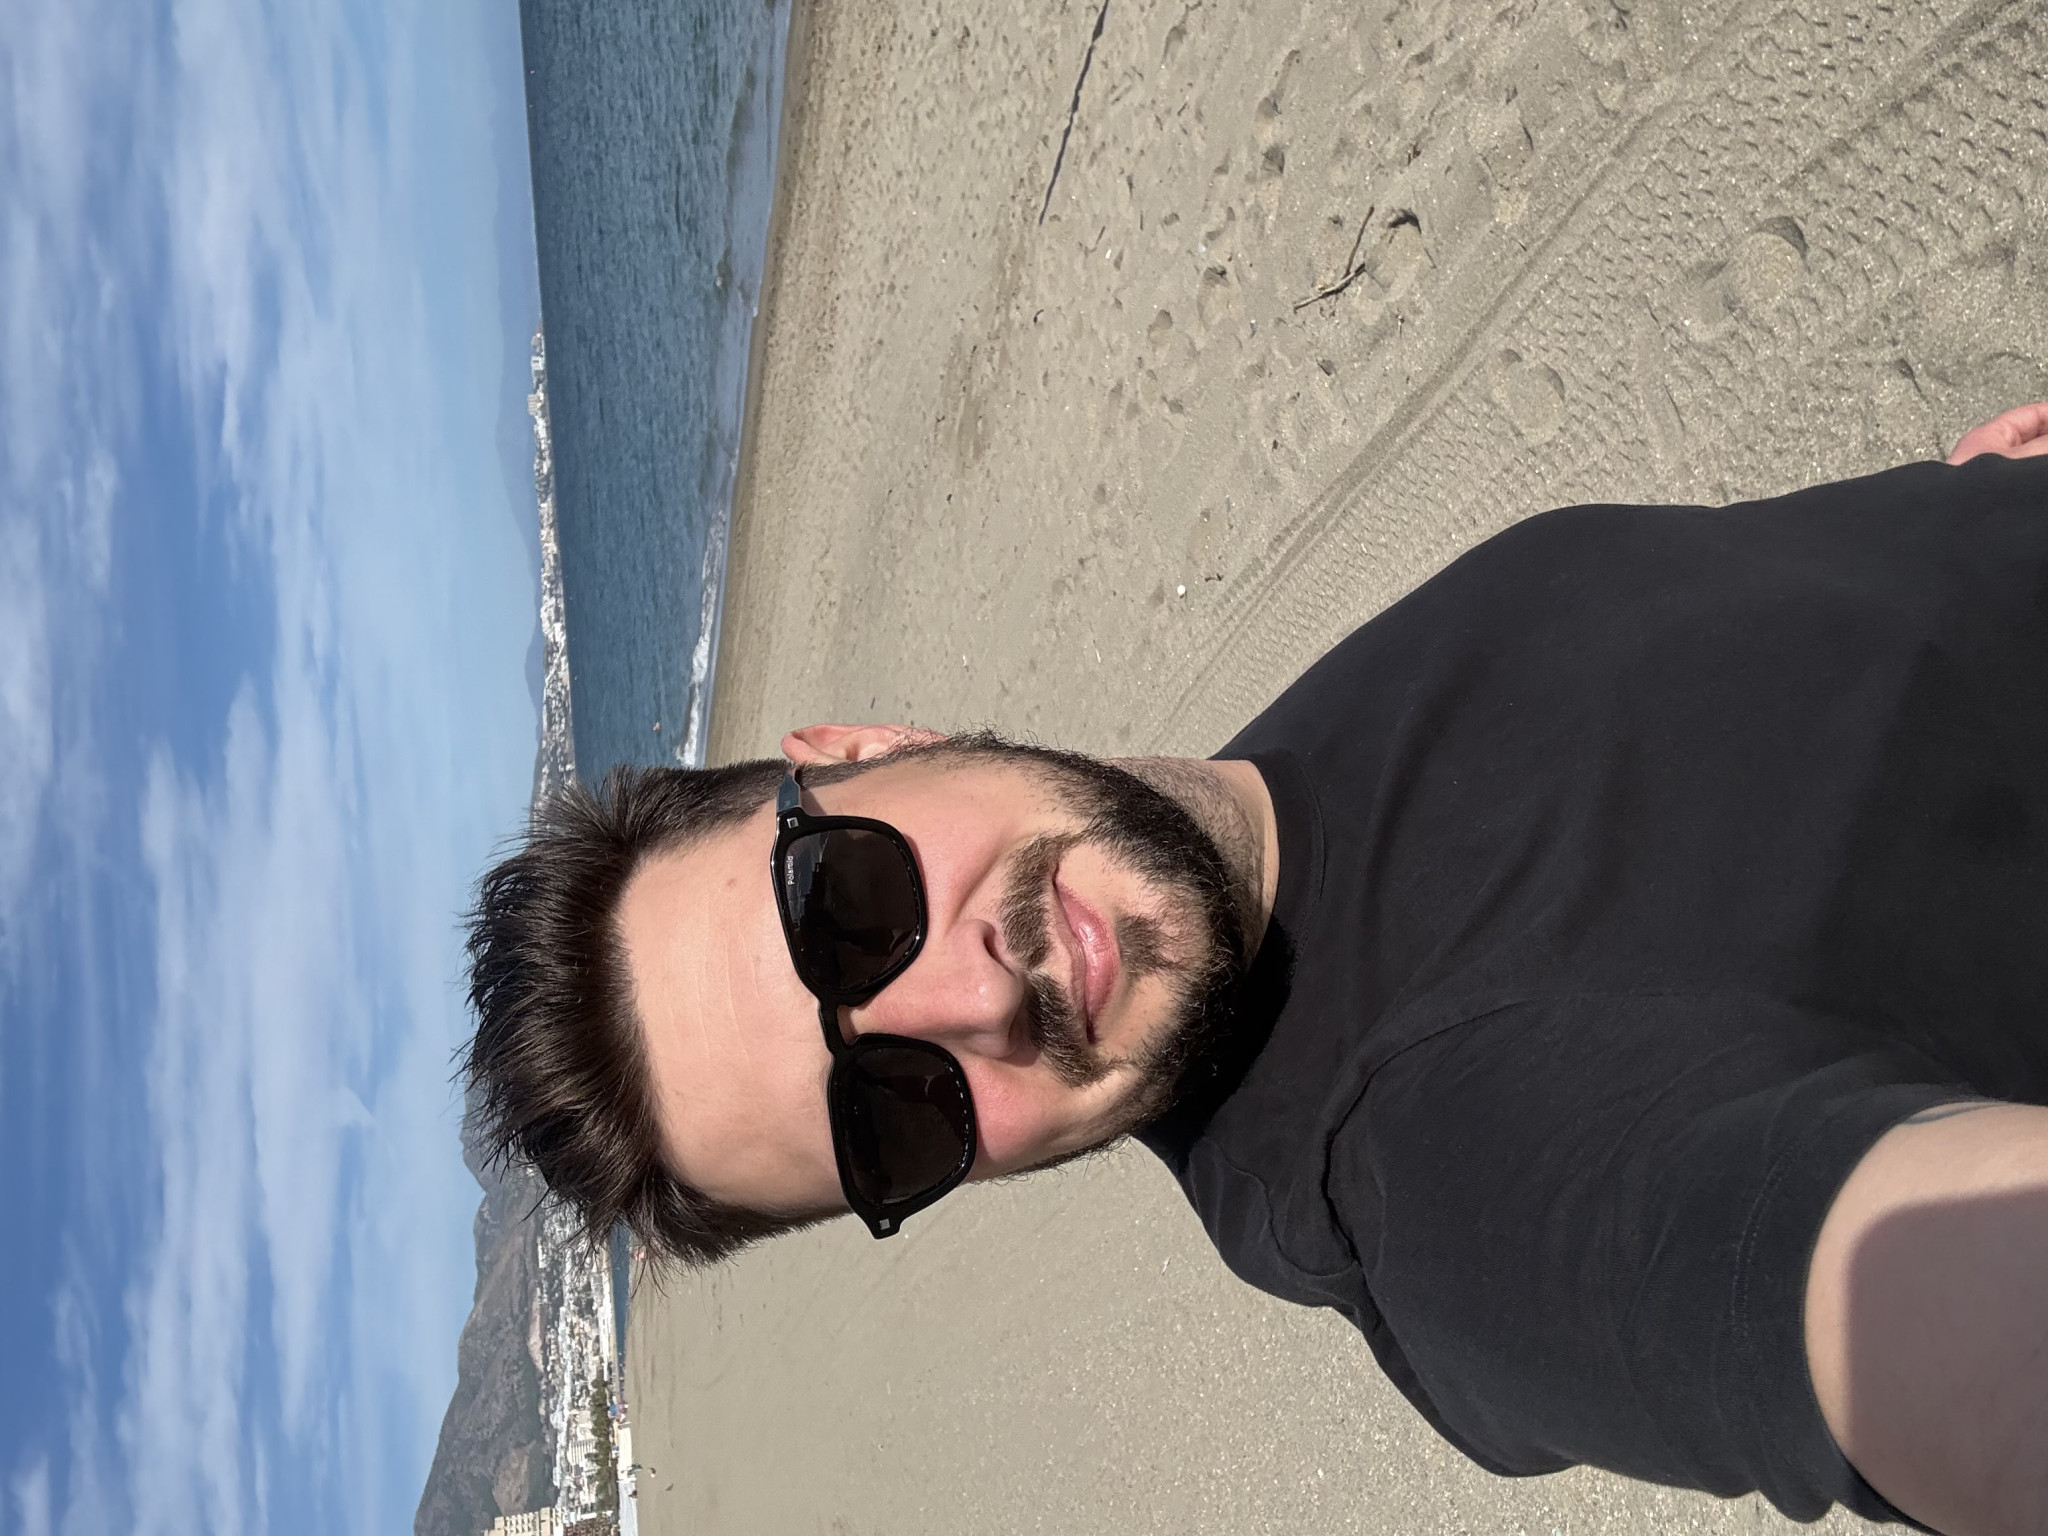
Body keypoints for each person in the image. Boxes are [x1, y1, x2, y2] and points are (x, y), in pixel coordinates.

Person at [463, 404, 2048, 1536]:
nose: (972, 1000)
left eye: (847, 909)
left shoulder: (1262, 794)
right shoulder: (1448, 1187)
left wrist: (1942, 527)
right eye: (886, 1116)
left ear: (866, 750)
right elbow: (1887, 1308)